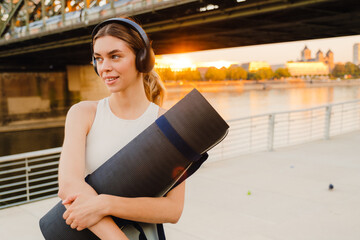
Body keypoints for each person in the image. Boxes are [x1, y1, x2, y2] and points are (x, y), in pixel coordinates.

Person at [57, 18, 185, 240]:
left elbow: (173, 209)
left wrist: (105, 203)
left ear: (142, 60)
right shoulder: (82, 114)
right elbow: (69, 185)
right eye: (98, 58)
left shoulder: (170, 124)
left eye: (115, 56)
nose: (105, 67)